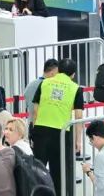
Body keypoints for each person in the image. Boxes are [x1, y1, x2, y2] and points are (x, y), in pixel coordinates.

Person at [31, 57, 83, 196]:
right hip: (61, 134)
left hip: (41, 130)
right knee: (60, 173)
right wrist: (78, 140)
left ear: (58, 70)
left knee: (37, 170)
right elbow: (79, 117)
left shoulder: (44, 83)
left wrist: (34, 131)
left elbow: (35, 110)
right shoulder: (76, 88)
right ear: (73, 74)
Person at [82, 120, 104, 196]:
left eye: (91, 141)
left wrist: (88, 172)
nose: (93, 145)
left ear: (95, 137)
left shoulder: (101, 156)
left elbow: (100, 185)